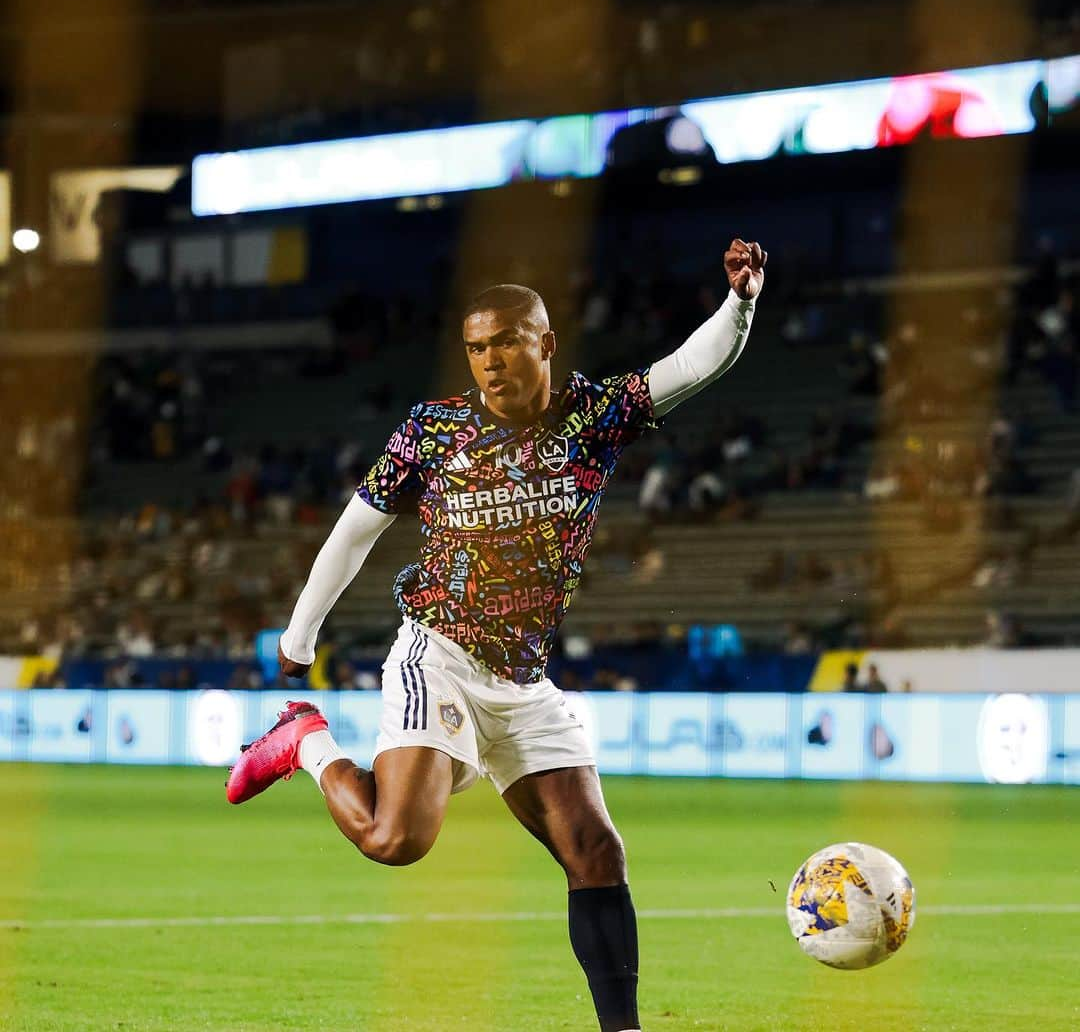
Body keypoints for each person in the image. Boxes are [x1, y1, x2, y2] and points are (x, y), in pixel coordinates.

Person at [226, 238, 767, 1032]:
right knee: (395, 839)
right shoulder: (432, 432)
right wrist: (299, 636)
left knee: (597, 852)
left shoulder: (593, 416)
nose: (489, 361)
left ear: (545, 343)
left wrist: (742, 303)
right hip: (437, 653)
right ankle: (305, 740)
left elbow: (692, 365)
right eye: (477, 347)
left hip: (524, 681)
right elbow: (353, 534)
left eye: (506, 342)